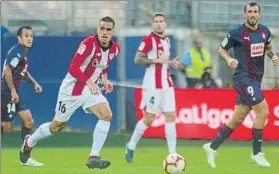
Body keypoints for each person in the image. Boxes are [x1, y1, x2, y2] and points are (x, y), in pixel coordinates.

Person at [19, 16, 120, 169]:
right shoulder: (88, 44)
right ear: (97, 29)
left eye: (108, 29)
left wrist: (105, 79)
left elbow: (103, 65)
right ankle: (28, 143)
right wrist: (90, 81)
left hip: (89, 89)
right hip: (72, 90)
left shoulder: (115, 49)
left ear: (113, 31)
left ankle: (94, 156)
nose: (104, 32)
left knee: (106, 114)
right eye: (102, 29)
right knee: (57, 127)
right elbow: (73, 68)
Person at [203, 1, 279, 168]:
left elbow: (268, 47)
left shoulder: (264, 31)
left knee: (237, 118)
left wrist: (273, 56)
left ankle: (212, 146)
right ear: (245, 14)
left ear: (259, 14)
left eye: (255, 12)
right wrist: (229, 59)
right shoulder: (236, 33)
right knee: (264, 111)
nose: (252, 14)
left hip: (255, 80)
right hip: (243, 79)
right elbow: (222, 50)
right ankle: (257, 153)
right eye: (249, 12)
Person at [125, 13, 186, 163]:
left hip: (167, 83)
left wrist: (172, 63)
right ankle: (131, 145)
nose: (159, 24)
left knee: (170, 116)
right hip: (152, 85)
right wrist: (155, 60)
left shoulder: (167, 40)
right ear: (153, 25)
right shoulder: (148, 40)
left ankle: (172, 154)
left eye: (161, 21)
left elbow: (164, 61)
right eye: (156, 22)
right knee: (149, 118)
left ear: (165, 24)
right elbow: (137, 59)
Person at [1, 26, 42, 141]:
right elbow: (7, 70)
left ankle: (24, 155)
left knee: (28, 122)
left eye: (31, 36)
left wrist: (34, 83)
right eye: (26, 36)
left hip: (14, 92)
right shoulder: (17, 51)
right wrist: (13, 91)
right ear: (19, 39)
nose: (29, 39)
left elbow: (23, 71)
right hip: (7, 91)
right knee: (7, 127)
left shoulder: (23, 51)